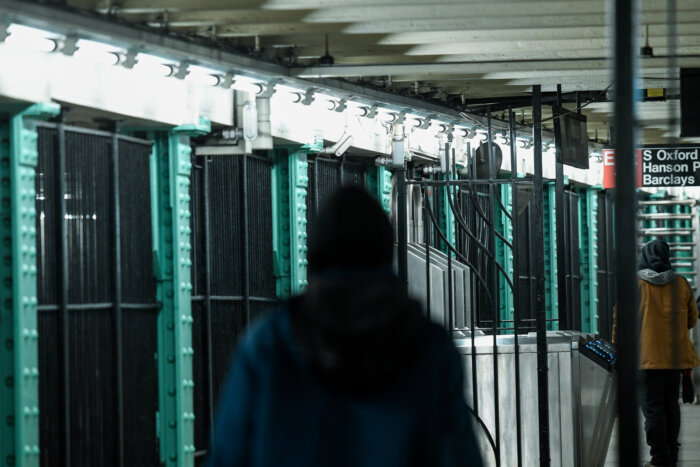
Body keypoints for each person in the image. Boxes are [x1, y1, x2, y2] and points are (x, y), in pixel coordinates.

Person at [207, 186, 483, 467]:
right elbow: (458, 455)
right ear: (385, 251)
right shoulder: (428, 346)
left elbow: (229, 454)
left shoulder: (268, 343)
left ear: (314, 254)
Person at [614, 239, 700, 467]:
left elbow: (620, 323)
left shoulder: (634, 285)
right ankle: (672, 454)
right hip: (674, 360)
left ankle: (659, 457)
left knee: (652, 410)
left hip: (645, 360)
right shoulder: (681, 284)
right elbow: (691, 319)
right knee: (671, 406)